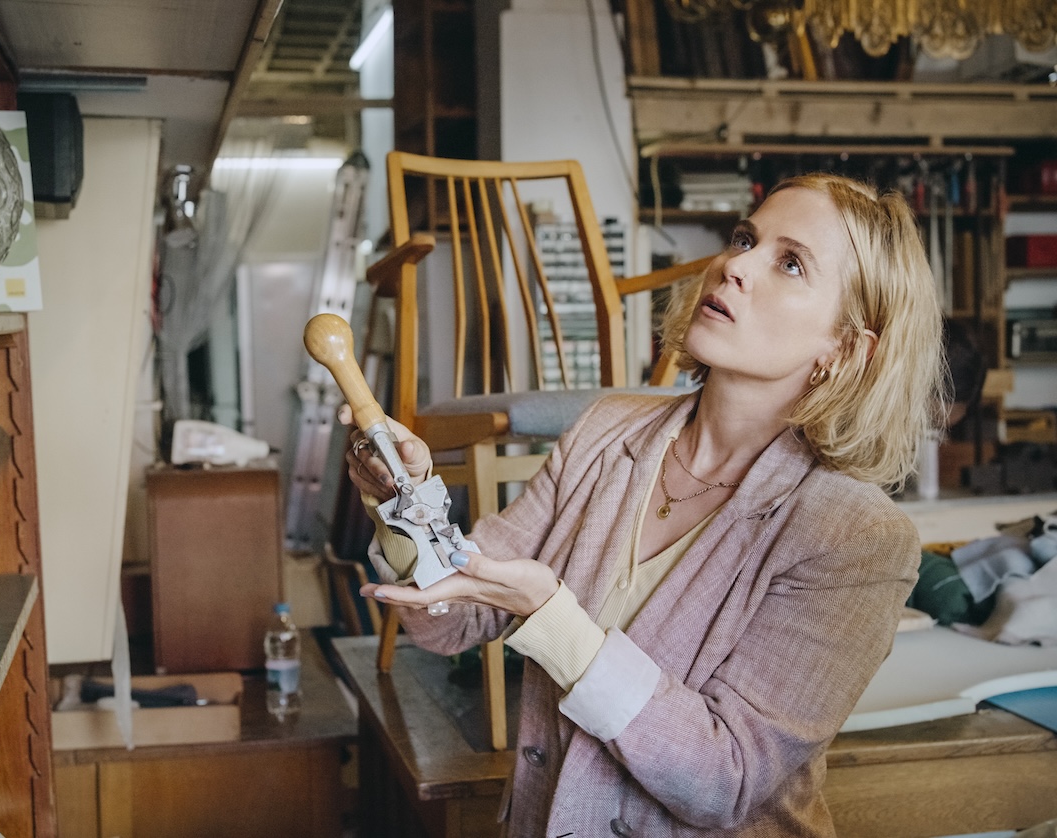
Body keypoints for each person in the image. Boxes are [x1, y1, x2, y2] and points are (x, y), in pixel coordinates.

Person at [340, 173, 946, 837]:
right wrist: (402, 500)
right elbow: (450, 621)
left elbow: (724, 780)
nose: (734, 264)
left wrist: (553, 619)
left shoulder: (855, 536)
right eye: (746, 238)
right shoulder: (606, 431)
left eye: (790, 262)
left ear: (845, 349)